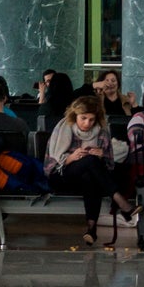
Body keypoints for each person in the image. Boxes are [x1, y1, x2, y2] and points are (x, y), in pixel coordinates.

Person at [46, 94, 132, 245]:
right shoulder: (63, 128)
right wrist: (72, 157)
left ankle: (91, 229)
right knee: (90, 162)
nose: (87, 123)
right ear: (75, 116)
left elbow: (109, 165)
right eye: (83, 118)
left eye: (91, 119)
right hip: (61, 175)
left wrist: (102, 155)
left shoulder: (102, 131)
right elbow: (52, 164)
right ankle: (120, 201)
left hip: (90, 177)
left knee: (90, 176)